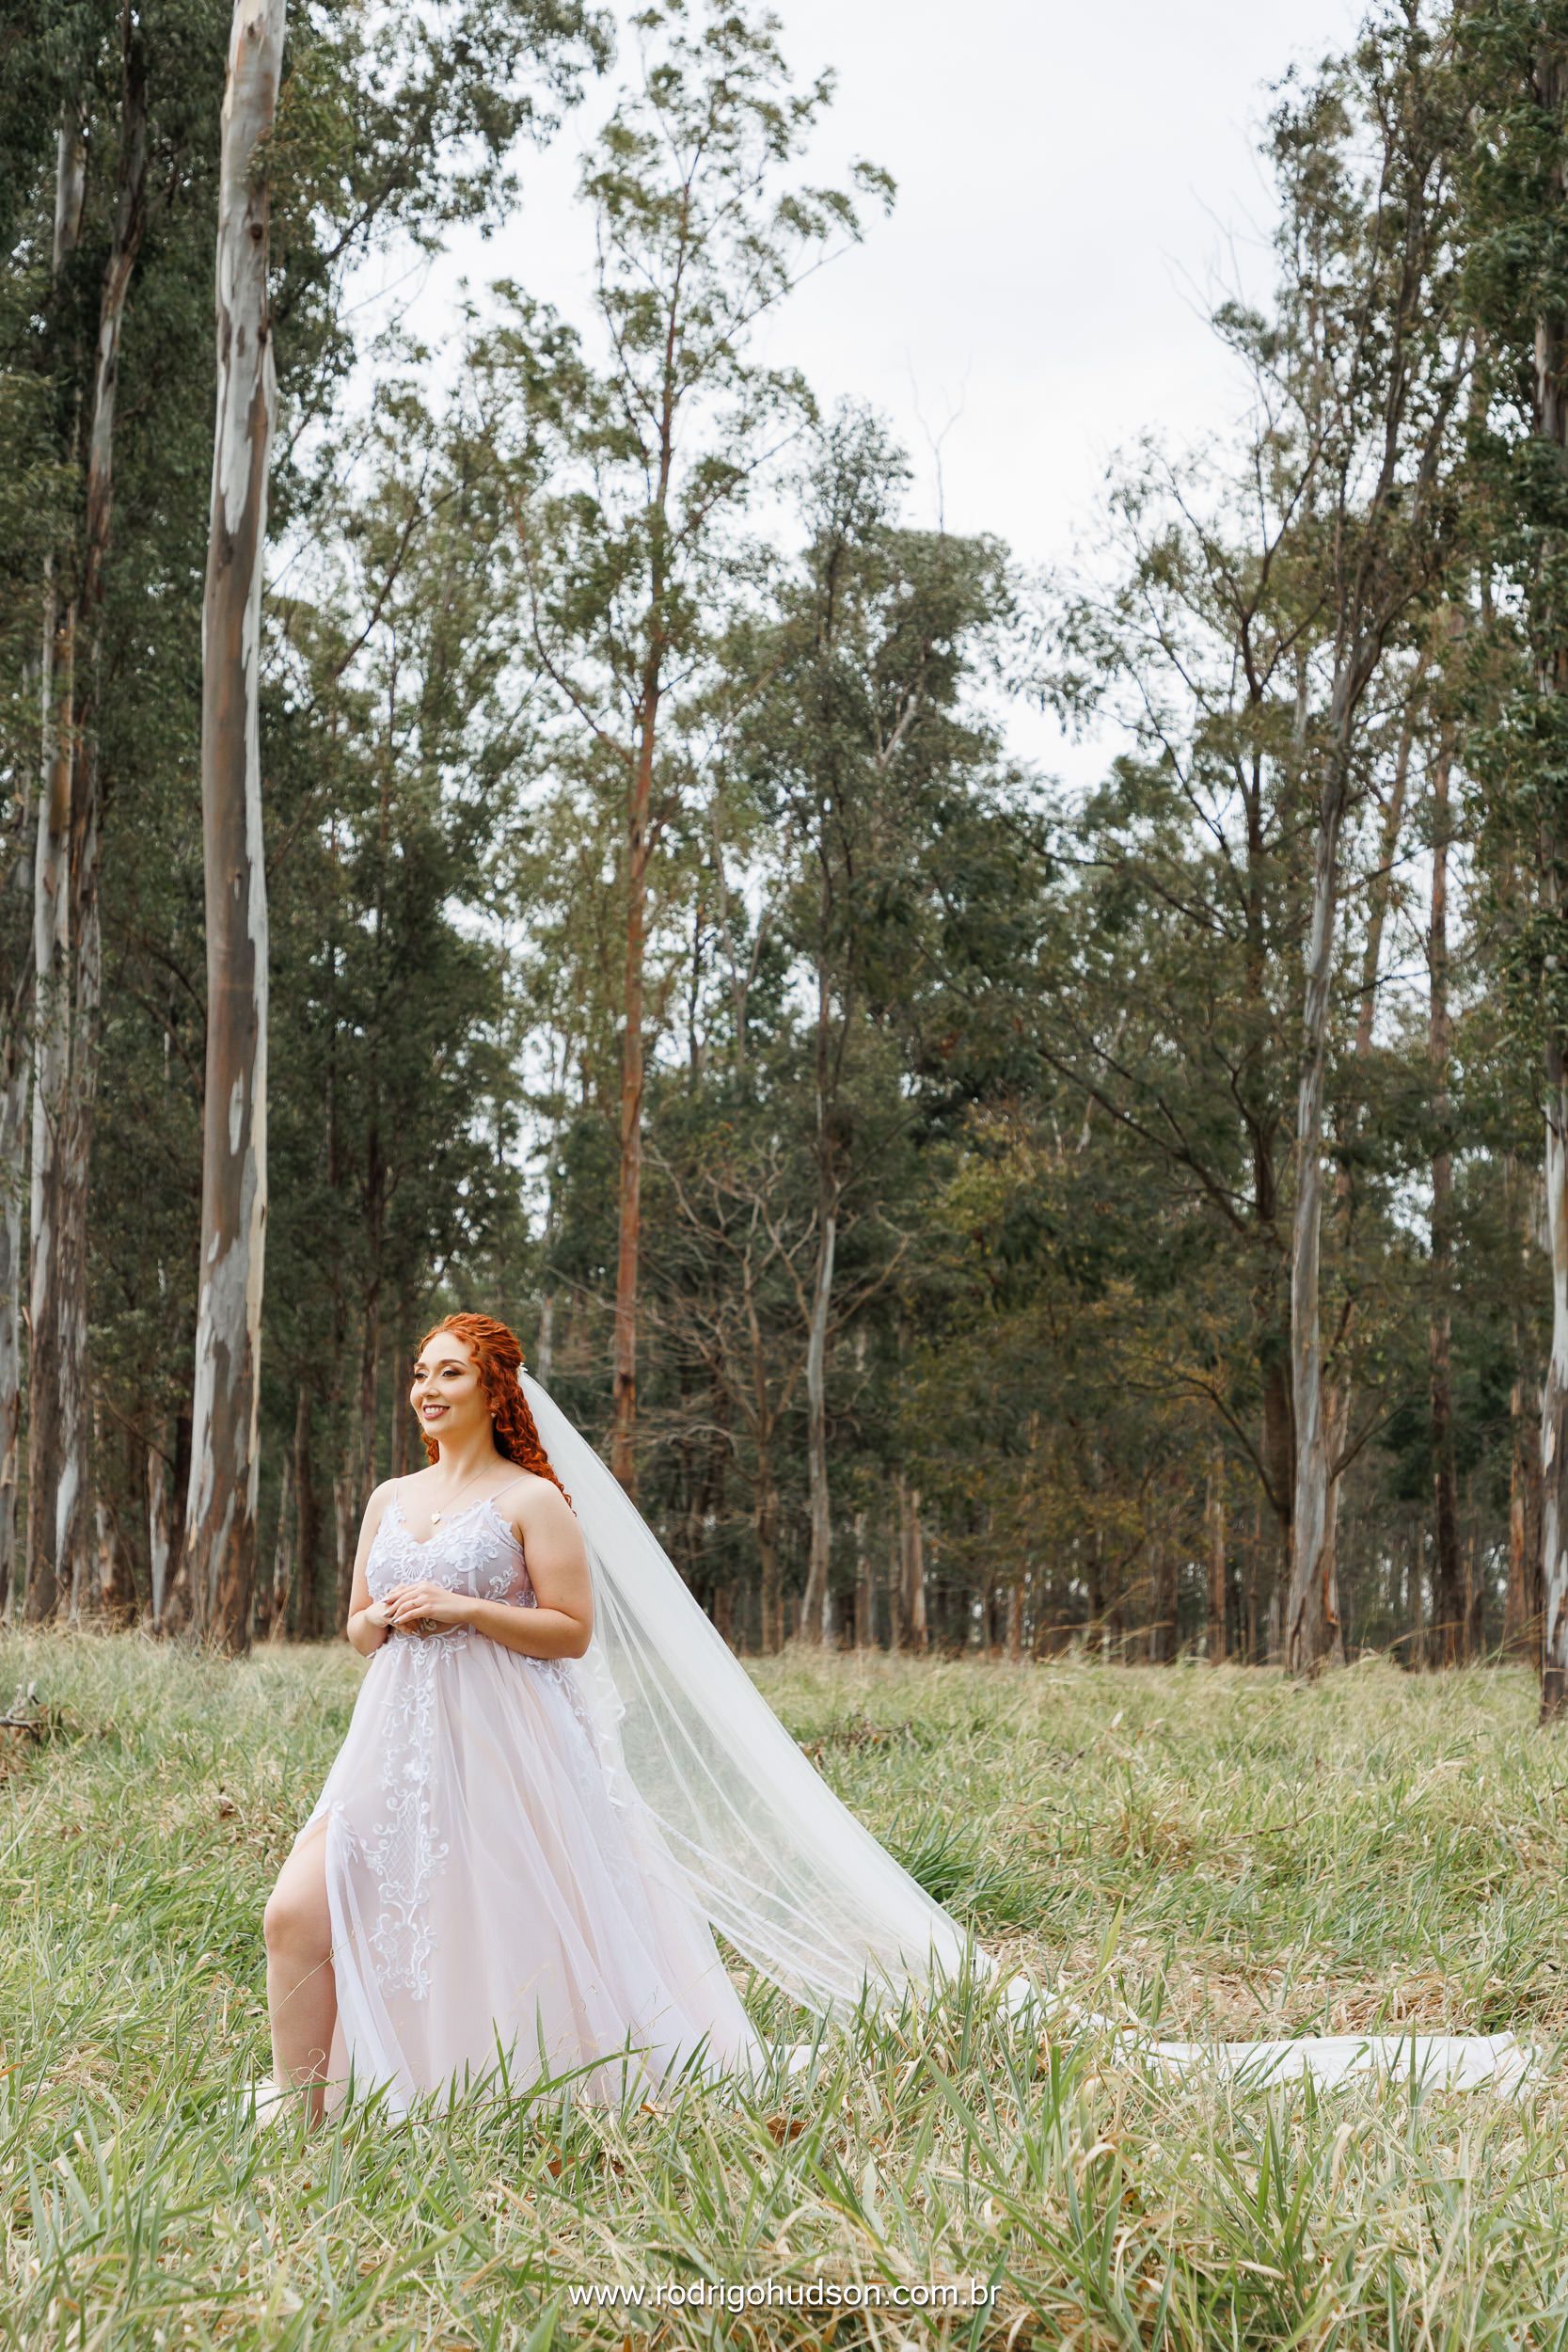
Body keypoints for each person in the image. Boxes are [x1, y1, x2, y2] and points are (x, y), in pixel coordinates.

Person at [254, 1310, 1538, 2130]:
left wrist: (468, 1614)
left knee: (498, 1919)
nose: (425, 1391)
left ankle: (473, 2092)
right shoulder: (385, 1497)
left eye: (447, 1374)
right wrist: (392, 1620)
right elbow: (358, 1627)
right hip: (396, 1734)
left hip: (506, 1745)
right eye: (417, 1373)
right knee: (297, 1911)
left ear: (495, 1386)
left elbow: (572, 1635)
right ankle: (311, 2111)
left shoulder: (535, 1504)